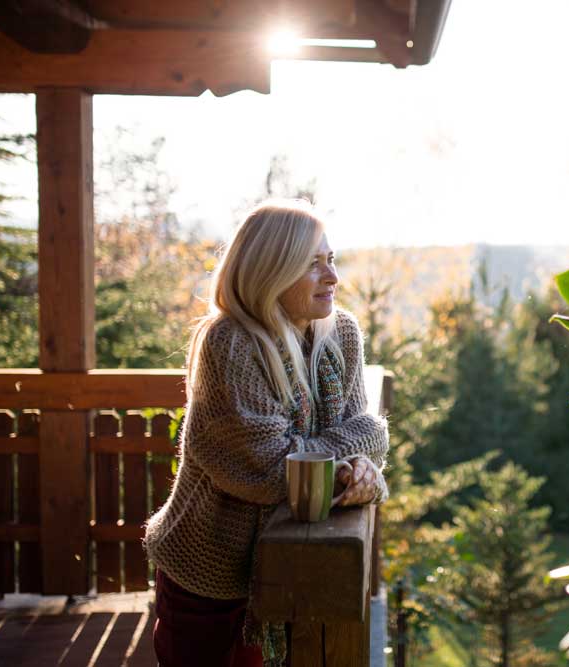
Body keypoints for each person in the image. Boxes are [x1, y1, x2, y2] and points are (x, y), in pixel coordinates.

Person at [143, 199, 389, 666]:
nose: (333, 277)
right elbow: (271, 469)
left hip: (294, 559)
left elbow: (369, 435)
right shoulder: (231, 342)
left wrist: (348, 460)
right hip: (211, 572)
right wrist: (347, 464)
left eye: (331, 260)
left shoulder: (341, 333)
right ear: (270, 271)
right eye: (312, 265)